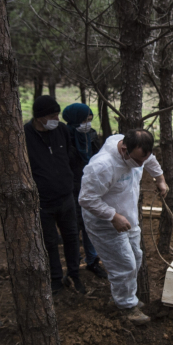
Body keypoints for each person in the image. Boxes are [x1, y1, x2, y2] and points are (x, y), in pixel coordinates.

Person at [78, 129, 168, 325]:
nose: (140, 165)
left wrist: (160, 179)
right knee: (124, 264)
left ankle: (128, 296)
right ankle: (126, 307)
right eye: (137, 161)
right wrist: (112, 216)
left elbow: (149, 160)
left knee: (136, 257)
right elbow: (86, 198)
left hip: (127, 217)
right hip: (104, 222)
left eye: (143, 159)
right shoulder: (102, 166)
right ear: (124, 150)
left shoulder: (137, 150)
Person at [24, 95, 86, 295]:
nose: (56, 119)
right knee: (50, 242)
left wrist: (72, 183)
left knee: (71, 237)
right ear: (40, 117)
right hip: (43, 202)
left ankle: (74, 275)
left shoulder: (61, 131)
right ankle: (56, 279)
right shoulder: (24, 135)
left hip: (66, 196)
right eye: (52, 115)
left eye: (57, 114)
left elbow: (68, 156)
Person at [61, 102, 107, 279]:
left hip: (90, 187)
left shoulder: (91, 136)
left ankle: (92, 260)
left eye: (89, 120)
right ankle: (73, 264)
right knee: (73, 226)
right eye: (84, 121)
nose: (87, 125)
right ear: (74, 120)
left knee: (90, 224)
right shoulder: (64, 137)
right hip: (71, 187)